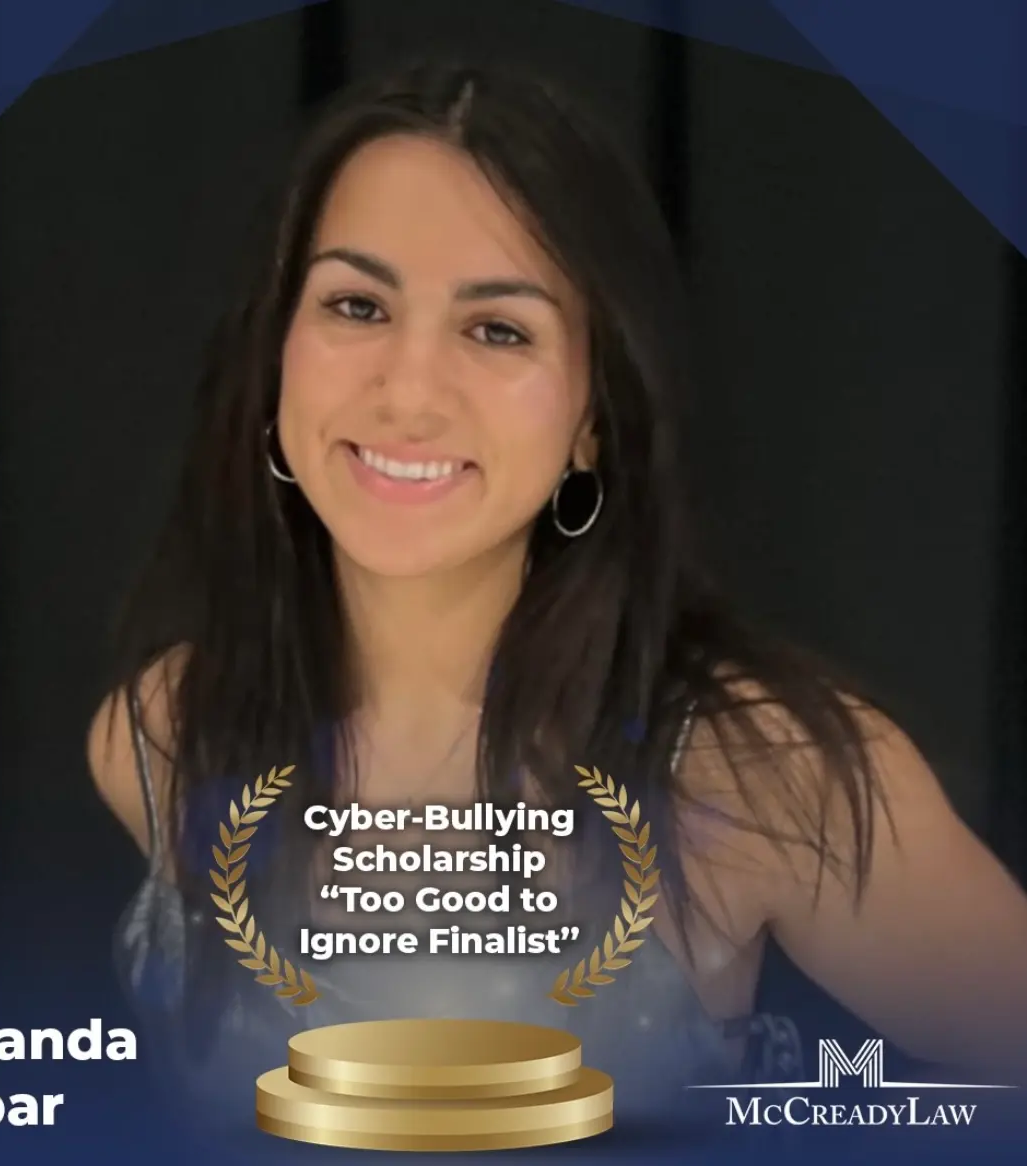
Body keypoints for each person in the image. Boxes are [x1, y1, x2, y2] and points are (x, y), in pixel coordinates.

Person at [86, 58, 1027, 1132]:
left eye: (498, 329)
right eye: (356, 304)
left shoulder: (755, 776)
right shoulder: (160, 732)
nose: (407, 391)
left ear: (593, 416)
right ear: (275, 357)